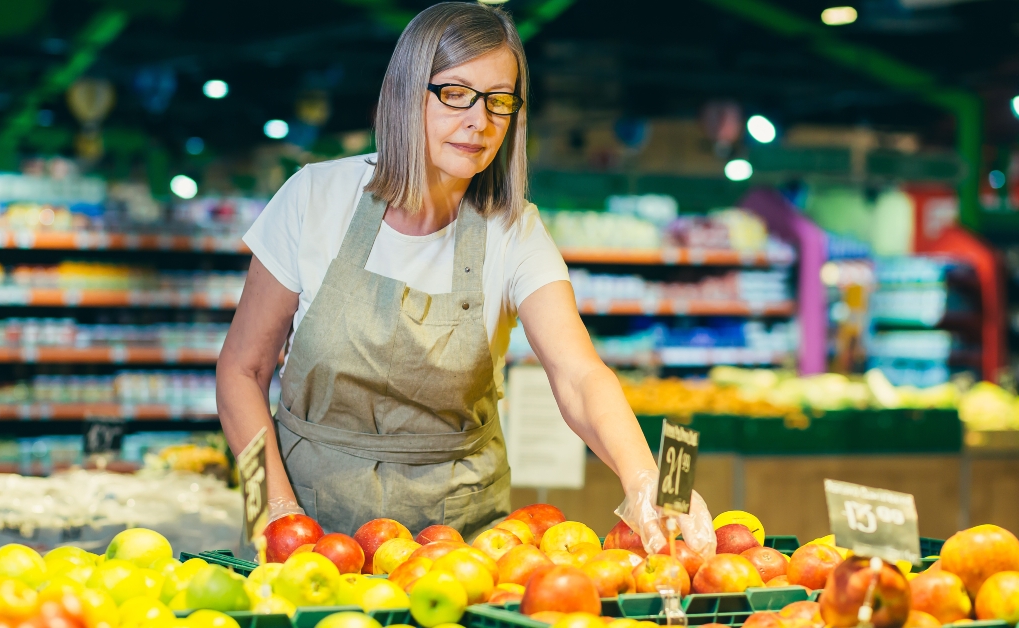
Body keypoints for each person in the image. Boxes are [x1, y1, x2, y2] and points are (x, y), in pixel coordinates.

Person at [216, 1, 715, 555]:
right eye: (455, 93)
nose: (479, 122)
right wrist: (273, 513)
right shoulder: (316, 198)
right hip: (308, 530)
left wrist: (646, 476)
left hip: (460, 549)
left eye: (500, 101)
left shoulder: (513, 230)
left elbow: (578, 375)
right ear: (408, 91)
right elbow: (242, 370)